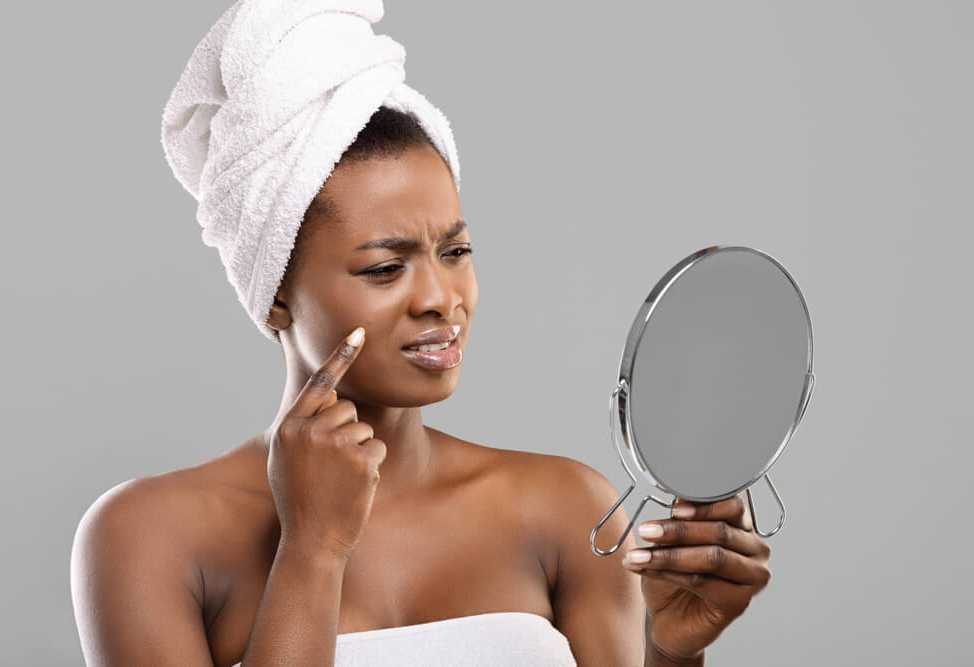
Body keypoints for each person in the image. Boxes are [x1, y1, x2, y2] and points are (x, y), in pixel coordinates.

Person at [71, 4, 772, 664]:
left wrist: (674, 652)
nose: (440, 298)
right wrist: (313, 549)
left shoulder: (565, 509)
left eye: (456, 251)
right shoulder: (146, 538)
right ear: (277, 291)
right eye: (385, 266)